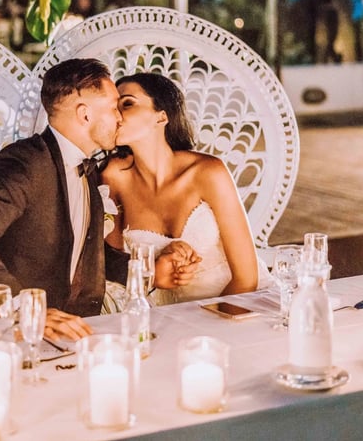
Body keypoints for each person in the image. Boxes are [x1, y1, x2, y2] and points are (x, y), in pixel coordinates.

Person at [0, 59, 193, 340]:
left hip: (62, 335)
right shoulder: (27, 161)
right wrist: (23, 307)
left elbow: (88, 251)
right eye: (114, 108)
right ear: (84, 115)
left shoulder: (87, 168)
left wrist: (149, 270)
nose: (120, 118)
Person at [101, 72, 269, 306]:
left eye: (127, 104)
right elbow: (113, 269)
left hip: (241, 303)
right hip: (167, 315)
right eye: (112, 107)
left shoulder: (208, 172)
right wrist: (157, 264)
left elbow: (246, 278)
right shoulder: (113, 176)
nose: (116, 114)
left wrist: (212, 321)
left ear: (161, 117)